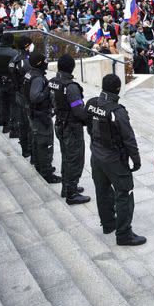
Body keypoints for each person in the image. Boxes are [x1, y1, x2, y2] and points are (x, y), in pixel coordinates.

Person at [85, 74, 146, 246]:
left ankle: (108, 224)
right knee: (124, 192)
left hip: (96, 155)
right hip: (113, 159)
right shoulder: (117, 111)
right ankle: (124, 234)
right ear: (118, 89)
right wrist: (136, 159)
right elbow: (128, 138)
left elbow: (86, 121)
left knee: (102, 190)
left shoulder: (91, 103)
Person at [48, 54, 90, 204]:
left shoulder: (52, 82)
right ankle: (71, 193)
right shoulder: (70, 87)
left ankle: (67, 187)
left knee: (66, 156)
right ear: (72, 67)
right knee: (75, 158)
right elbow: (78, 111)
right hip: (71, 127)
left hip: (59, 123)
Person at [24, 51, 60, 182]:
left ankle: (40, 166)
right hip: (40, 115)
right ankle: (46, 172)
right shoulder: (38, 78)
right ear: (39, 63)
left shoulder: (30, 73)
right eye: (44, 61)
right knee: (45, 143)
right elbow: (35, 97)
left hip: (34, 113)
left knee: (37, 140)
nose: (46, 63)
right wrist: (47, 89)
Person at [0, 32, 19, 133]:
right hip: (11, 81)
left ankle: (5, 124)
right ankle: (13, 127)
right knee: (13, 104)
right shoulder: (14, 53)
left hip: (0, 81)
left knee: (3, 102)